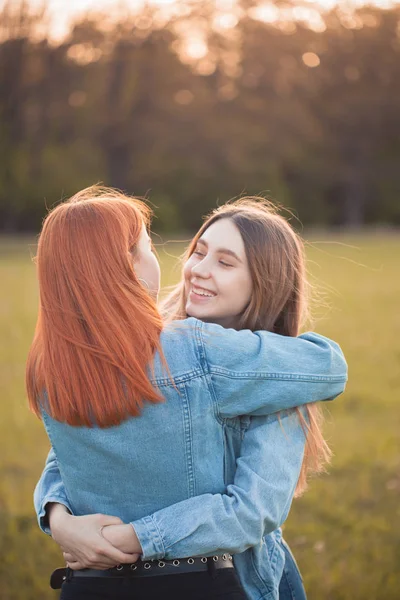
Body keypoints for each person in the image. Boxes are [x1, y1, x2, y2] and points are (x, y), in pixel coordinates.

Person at [29, 188, 347, 600]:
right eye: (198, 252)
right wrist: (59, 518)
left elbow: (251, 513)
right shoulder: (157, 347)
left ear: (263, 281)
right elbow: (71, 447)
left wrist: (128, 537)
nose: (197, 269)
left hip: (243, 580)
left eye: (225, 262)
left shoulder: (275, 381)